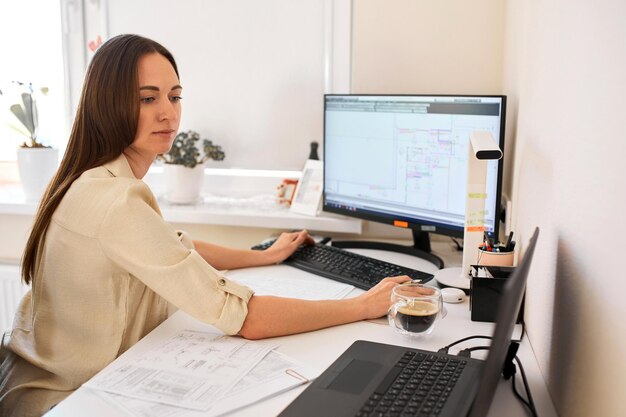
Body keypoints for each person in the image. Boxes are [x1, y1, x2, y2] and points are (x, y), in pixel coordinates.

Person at [0, 34, 410, 416]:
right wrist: (363, 306)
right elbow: (247, 319)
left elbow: (173, 247)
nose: (168, 113)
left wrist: (264, 255)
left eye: (175, 96)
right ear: (108, 104)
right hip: (66, 401)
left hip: (57, 383)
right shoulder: (113, 199)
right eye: (147, 99)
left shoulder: (96, 179)